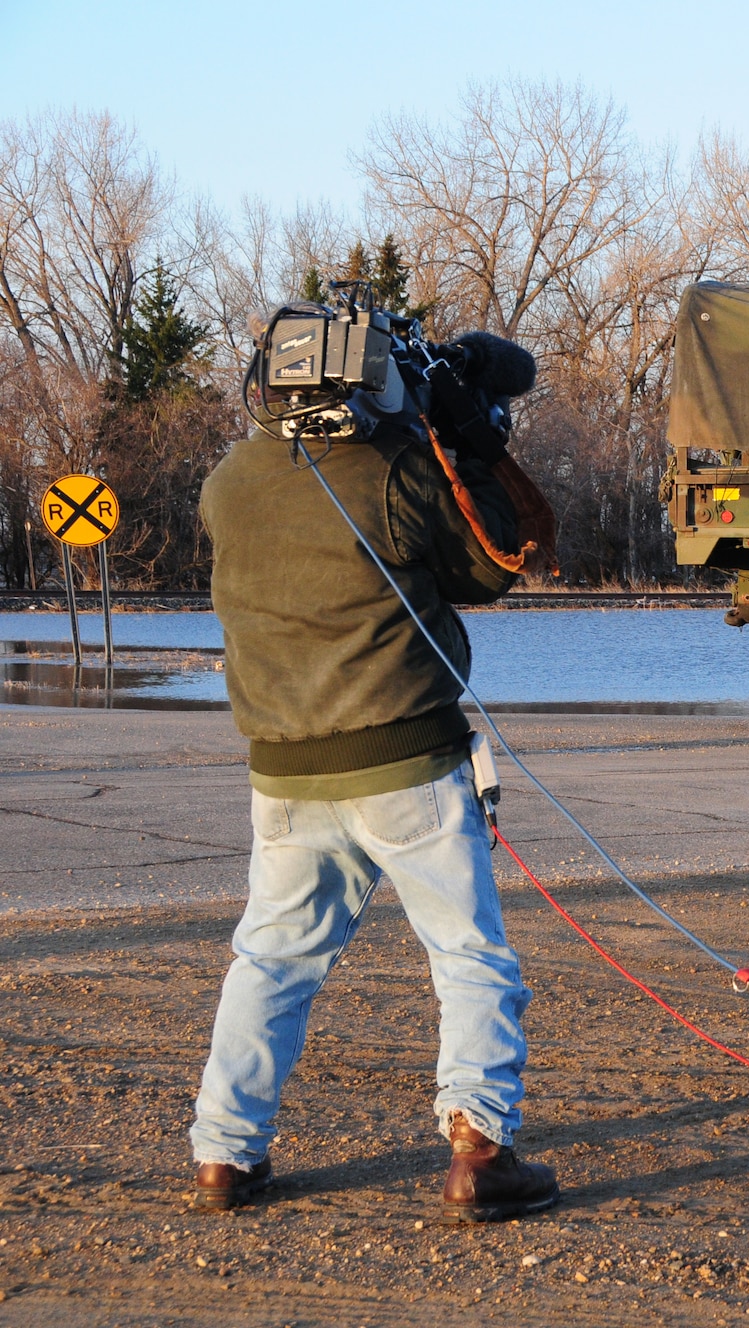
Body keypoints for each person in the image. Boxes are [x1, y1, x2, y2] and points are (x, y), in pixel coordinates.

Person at [189, 327, 560, 1222]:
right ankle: (480, 1152)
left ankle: (223, 1157)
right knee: (470, 955)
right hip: (404, 759)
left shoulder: (227, 481)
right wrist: (464, 439)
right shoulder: (392, 469)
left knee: (269, 961)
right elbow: (493, 564)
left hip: (284, 769)